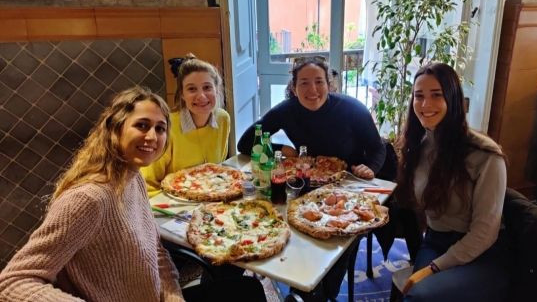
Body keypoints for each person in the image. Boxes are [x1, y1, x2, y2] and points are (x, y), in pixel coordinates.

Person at [0, 87, 184, 301]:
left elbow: (156, 251)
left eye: (160, 129)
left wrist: (173, 296)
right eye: (142, 125)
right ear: (115, 130)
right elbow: (13, 282)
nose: (152, 136)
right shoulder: (88, 199)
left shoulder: (135, 180)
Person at [395, 63, 509, 301]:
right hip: (436, 241)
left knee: (418, 296)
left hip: (481, 255)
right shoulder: (420, 145)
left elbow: (485, 233)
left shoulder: (485, 155)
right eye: (419, 96)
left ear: (453, 98)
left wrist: (435, 267)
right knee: (413, 293)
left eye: (436, 95)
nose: (425, 105)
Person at [237, 56, 386, 180]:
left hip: (350, 181)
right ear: (294, 89)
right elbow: (245, 143)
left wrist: (370, 168)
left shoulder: (352, 108)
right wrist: (280, 149)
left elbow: (377, 148)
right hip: (307, 179)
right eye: (304, 83)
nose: (312, 90)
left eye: (319, 82)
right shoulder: (286, 110)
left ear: (328, 85)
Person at [141, 54, 231, 197]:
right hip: (172, 205)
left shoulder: (223, 119)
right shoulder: (166, 127)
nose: (201, 96)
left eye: (207, 87)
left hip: (211, 198)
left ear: (217, 90)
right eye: (192, 89)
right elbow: (146, 184)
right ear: (182, 94)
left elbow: (217, 169)